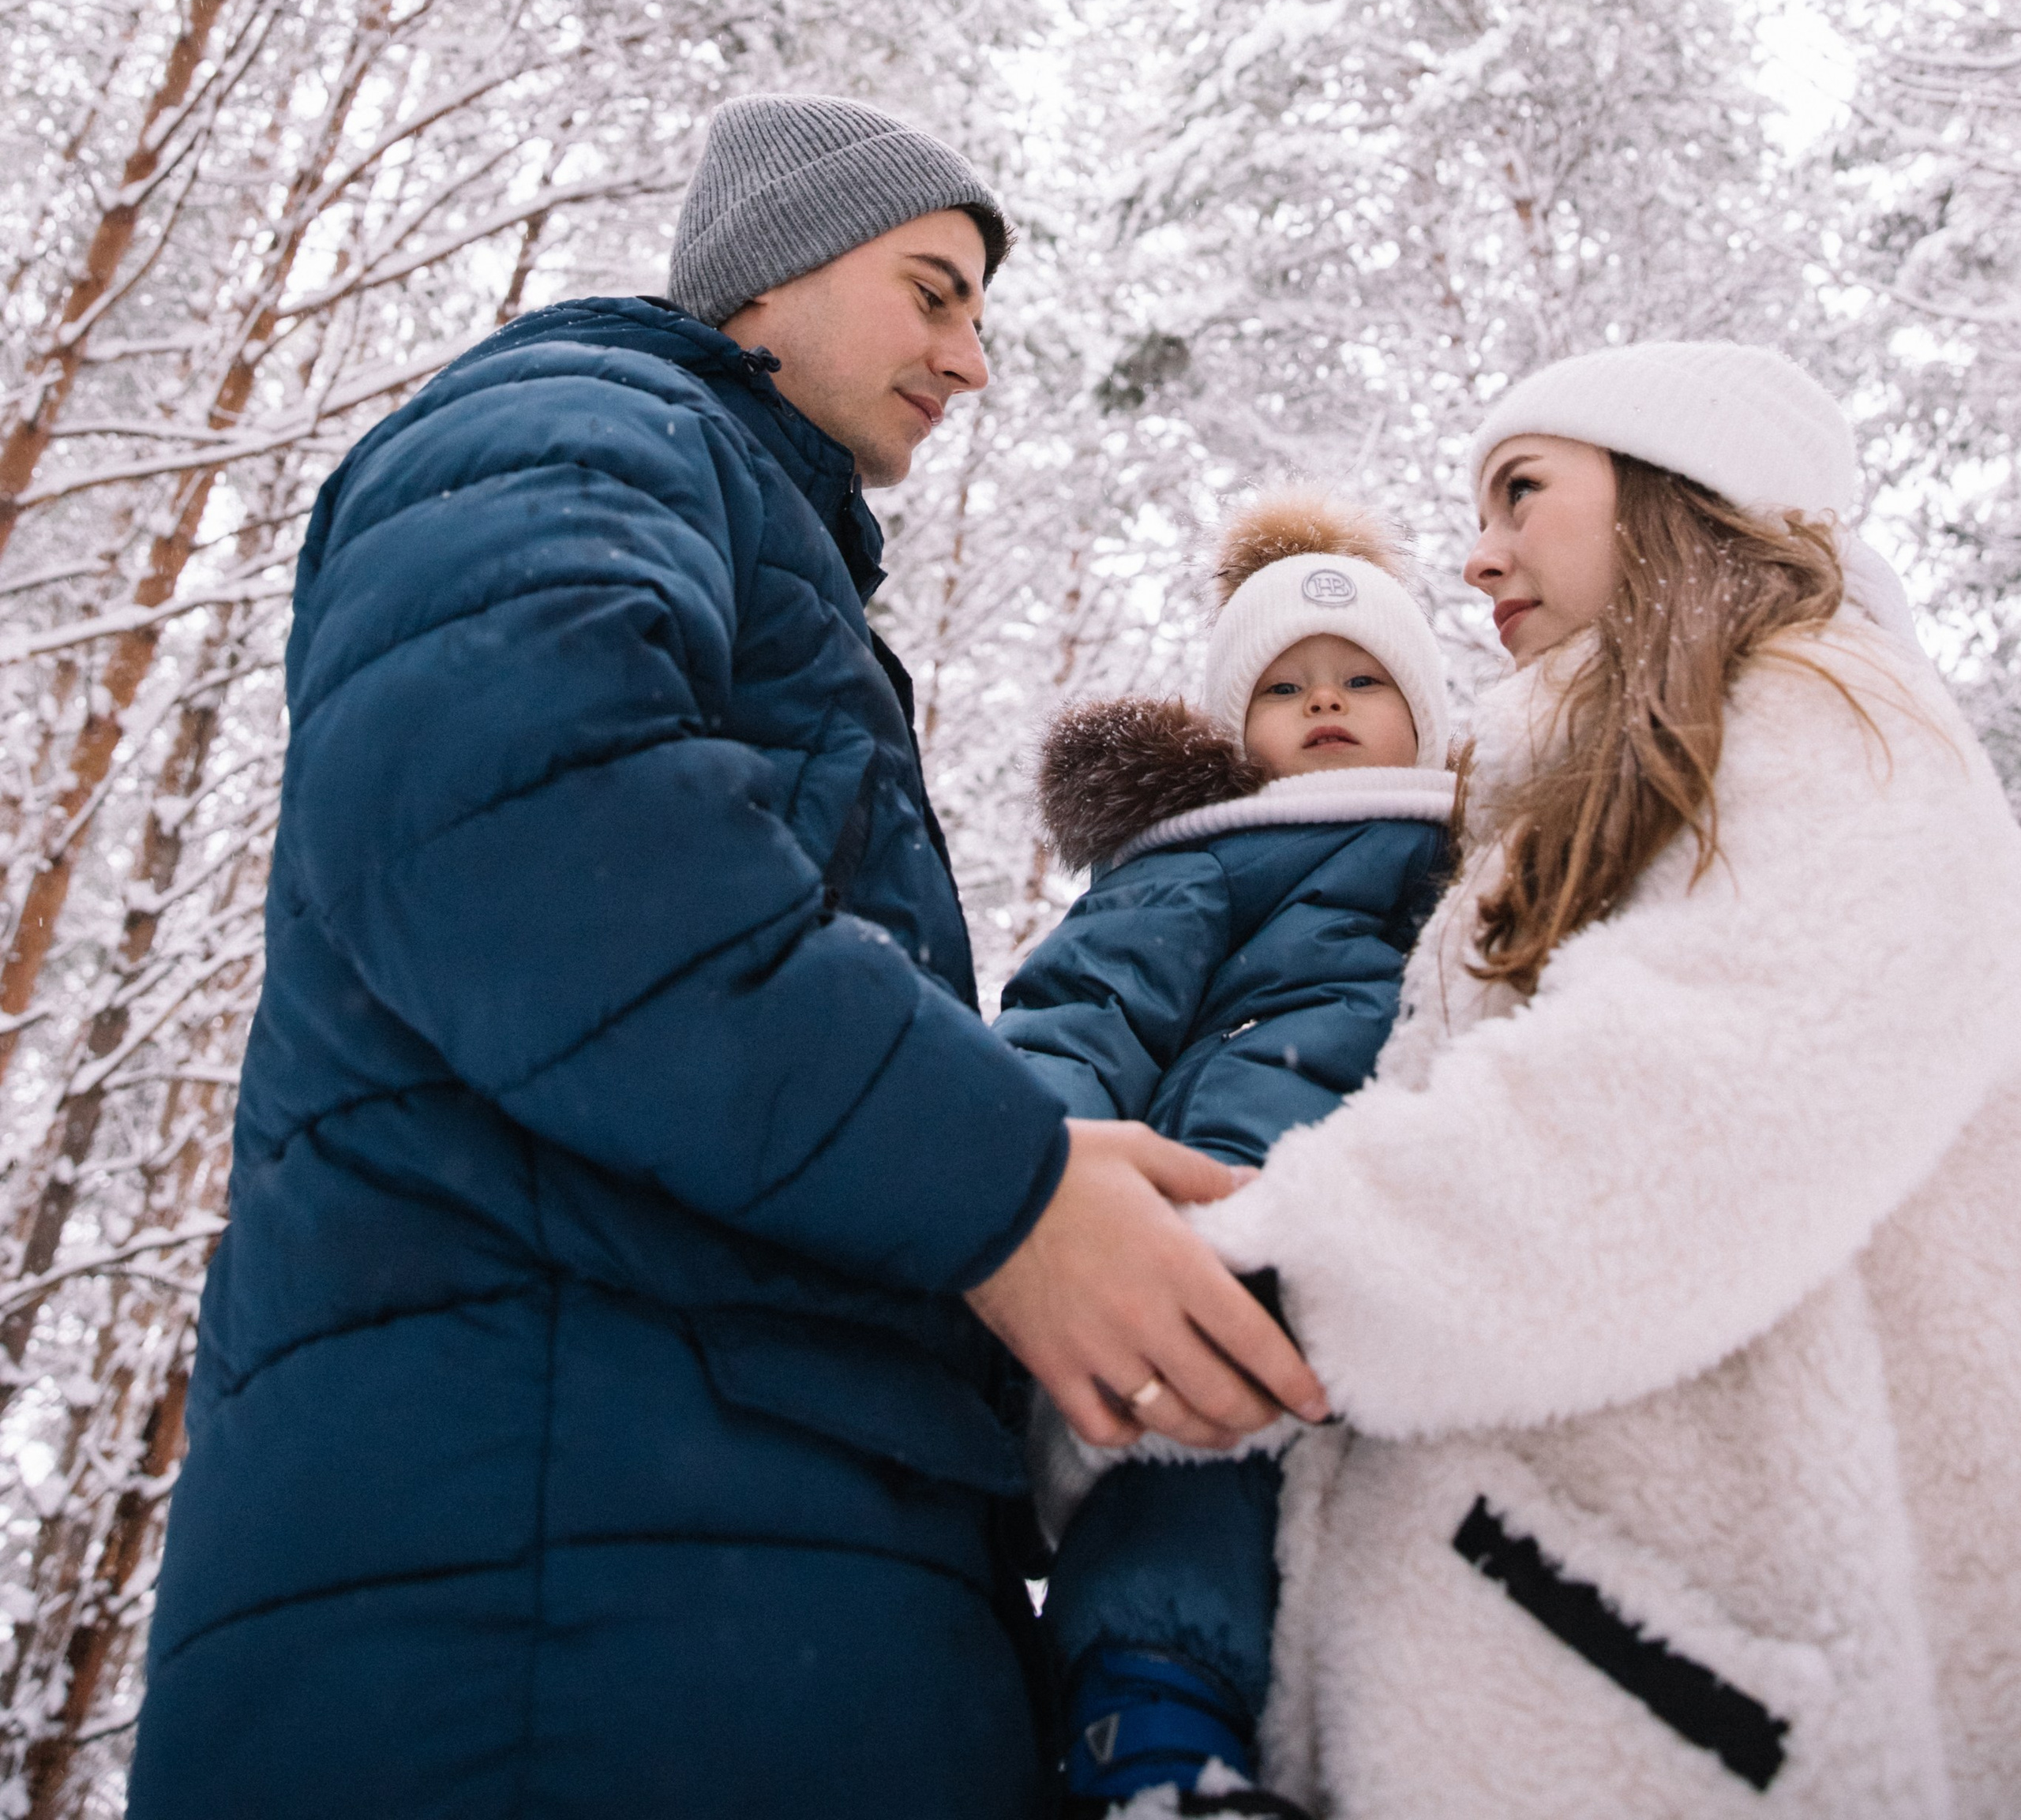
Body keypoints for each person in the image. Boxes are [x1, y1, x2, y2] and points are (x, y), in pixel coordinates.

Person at [129, 93, 1323, 1820]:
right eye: (932, 291)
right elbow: (516, 819)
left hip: (705, 1581)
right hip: (547, 1612)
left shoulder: (744, 534)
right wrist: (998, 1190)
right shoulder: (579, 420)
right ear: (772, 272)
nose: (967, 358)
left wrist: (1043, 1208)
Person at [1196, 339, 2021, 1820]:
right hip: (1596, 1653)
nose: (1477, 553)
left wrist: (1248, 1297)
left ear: (1678, 494)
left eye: (1522, 493)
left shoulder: (1841, 721)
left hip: (1684, 1697)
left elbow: (1689, 1110)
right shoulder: (1598, 782)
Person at [996, 497, 1455, 1816]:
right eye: (1286, 687)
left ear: (1421, 710)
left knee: (1413, 1516)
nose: (1326, 703)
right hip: (1234, 1206)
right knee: (1189, 1455)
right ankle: (1150, 1733)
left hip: (1420, 1225)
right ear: (1231, 732)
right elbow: (1083, 1013)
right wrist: (1044, 1159)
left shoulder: (1484, 851)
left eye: (1363, 679)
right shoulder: (1199, 864)